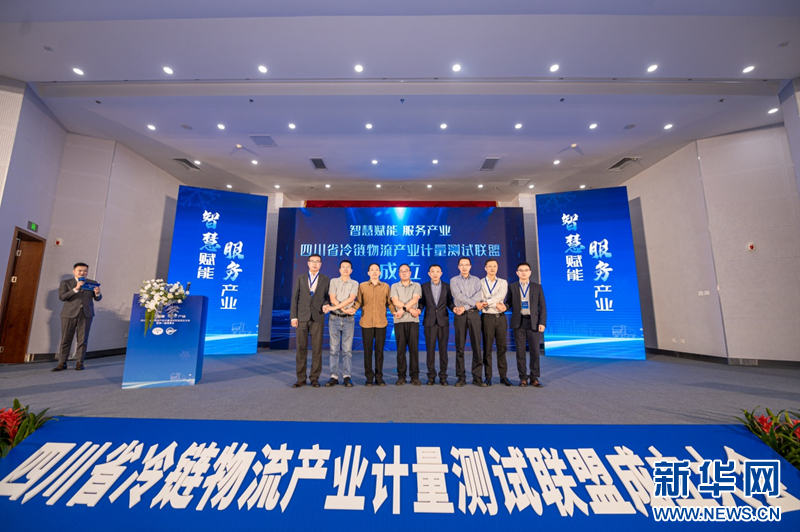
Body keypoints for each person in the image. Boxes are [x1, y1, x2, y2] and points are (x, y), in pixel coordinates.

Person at [352, 263, 396, 386]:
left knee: (379, 351)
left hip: (381, 323)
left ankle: (379, 377)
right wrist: (353, 309)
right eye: (372, 270)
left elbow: (389, 303)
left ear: (380, 272)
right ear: (368, 273)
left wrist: (394, 312)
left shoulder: (386, 286)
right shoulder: (362, 286)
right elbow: (358, 302)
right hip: (366, 323)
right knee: (367, 351)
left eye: (377, 270)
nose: (375, 272)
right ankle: (369, 377)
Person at [53, 262, 102, 371]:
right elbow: (62, 297)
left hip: (86, 314)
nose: (82, 273)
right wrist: (76, 288)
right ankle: (62, 363)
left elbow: (98, 298)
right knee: (66, 339)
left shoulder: (92, 283)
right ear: (74, 271)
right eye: (80, 270)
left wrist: (97, 293)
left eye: (85, 271)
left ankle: (80, 362)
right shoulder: (66, 283)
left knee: (82, 340)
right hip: (69, 314)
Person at [290, 254, 330, 388]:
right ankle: (301, 378)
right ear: (308, 263)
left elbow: (327, 297)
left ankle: (314, 378)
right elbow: (295, 298)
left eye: (317, 261)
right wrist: (293, 316)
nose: (315, 264)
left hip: (318, 316)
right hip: (302, 317)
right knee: (301, 348)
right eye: (312, 261)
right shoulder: (300, 278)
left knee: (317, 349)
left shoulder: (325, 279)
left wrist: (326, 304)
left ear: (321, 264)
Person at [506, 262, 547, 387]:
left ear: (530, 272)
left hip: (533, 322)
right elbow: (509, 303)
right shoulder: (512, 287)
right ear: (517, 273)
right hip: (519, 322)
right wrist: (503, 307)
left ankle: (534, 377)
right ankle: (523, 377)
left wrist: (542, 322)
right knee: (520, 352)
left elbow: (542, 306)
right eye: (521, 270)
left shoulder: (537, 287)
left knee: (535, 351)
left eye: (526, 270)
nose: (523, 272)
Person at [450, 257, 486, 387]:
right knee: (460, 347)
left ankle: (477, 377)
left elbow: (478, 297)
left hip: (474, 314)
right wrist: (473, 304)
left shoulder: (477, 280)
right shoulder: (454, 280)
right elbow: (458, 296)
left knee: (476, 346)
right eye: (462, 265)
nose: (464, 267)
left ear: (470, 266)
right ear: (458, 267)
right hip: (460, 316)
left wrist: (464, 307)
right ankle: (461, 377)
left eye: (467, 265)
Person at [323, 259, 359, 388]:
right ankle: (334, 376)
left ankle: (346, 376)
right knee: (333, 349)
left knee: (347, 350)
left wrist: (335, 308)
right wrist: (343, 309)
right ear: (339, 270)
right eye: (343, 267)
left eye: (348, 267)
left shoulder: (355, 283)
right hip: (334, 319)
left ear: (351, 270)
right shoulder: (333, 281)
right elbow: (332, 299)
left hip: (349, 319)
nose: (345, 269)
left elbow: (351, 299)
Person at [419, 264, 454, 386]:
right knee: (430, 350)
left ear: (441, 273)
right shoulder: (424, 287)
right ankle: (431, 376)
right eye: (432, 272)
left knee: (443, 350)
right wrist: (418, 310)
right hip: (429, 322)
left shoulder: (447, 286)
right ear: (429, 274)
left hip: (443, 321)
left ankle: (443, 376)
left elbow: (449, 302)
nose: (435, 274)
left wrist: (454, 308)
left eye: (437, 271)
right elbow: (422, 303)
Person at [479, 258, 511, 386]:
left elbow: (501, 296)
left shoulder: (503, 282)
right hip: (487, 318)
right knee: (487, 348)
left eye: (495, 266)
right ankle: (488, 376)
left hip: (500, 317)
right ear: (485, 268)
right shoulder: (480, 282)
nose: (492, 268)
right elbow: (480, 298)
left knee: (502, 348)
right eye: (490, 266)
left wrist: (487, 302)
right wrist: (494, 303)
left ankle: (503, 376)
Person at [390, 264, 422, 386]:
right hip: (399, 321)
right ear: (398, 273)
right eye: (401, 271)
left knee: (414, 350)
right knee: (401, 350)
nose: (404, 273)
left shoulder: (416, 285)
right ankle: (401, 376)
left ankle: (415, 376)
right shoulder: (394, 286)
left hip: (413, 321)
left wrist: (403, 309)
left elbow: (415, 299)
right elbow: (395, 301)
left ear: (410, 273)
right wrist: (410, 310)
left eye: (406, 271)